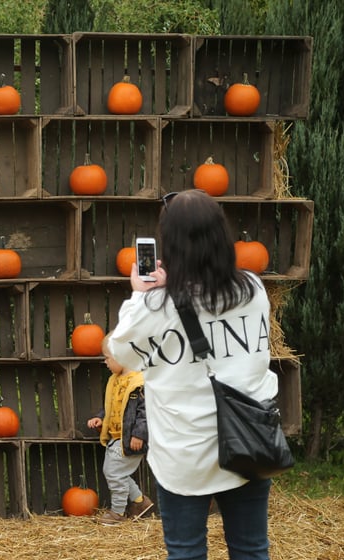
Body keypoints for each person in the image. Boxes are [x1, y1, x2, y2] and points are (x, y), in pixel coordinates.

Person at [106, 189, 279, 559]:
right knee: (251, 550)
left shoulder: (156, 306)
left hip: (185, 452)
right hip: (249, 441)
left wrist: (140, 295)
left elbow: (118, 354)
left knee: (186, 552)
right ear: (221, 235)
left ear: (171, 247)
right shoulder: (253, 289)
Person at [87, 335, 152, 525]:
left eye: (107, 357)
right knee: (117, 473)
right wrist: (101, 417)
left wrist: (139, 434)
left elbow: (146, 412)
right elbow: (112, 406)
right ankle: (140, 502)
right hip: (116, 438)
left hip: (130, 439)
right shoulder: (115, 380)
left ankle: (118, 513)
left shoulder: (139, 383)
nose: (105, 362)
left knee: (113, 473)